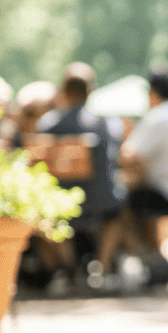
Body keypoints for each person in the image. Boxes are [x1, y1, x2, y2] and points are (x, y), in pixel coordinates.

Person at [36, 62, 127, 276]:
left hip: (61, 201)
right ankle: (102, 266)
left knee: (46, 213)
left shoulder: (47, 125)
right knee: (119, 208)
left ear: (64, 90)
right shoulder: (105, 125)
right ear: (90, 91)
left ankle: (68, 266)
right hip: (100, 201)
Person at [119, 71, 168, 287]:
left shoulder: (158, 116)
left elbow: (129, 155)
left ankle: (153, 261)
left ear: (152, 94)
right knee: (142, 197)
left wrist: (127, 131)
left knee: (124, 204)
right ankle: (157, 261)